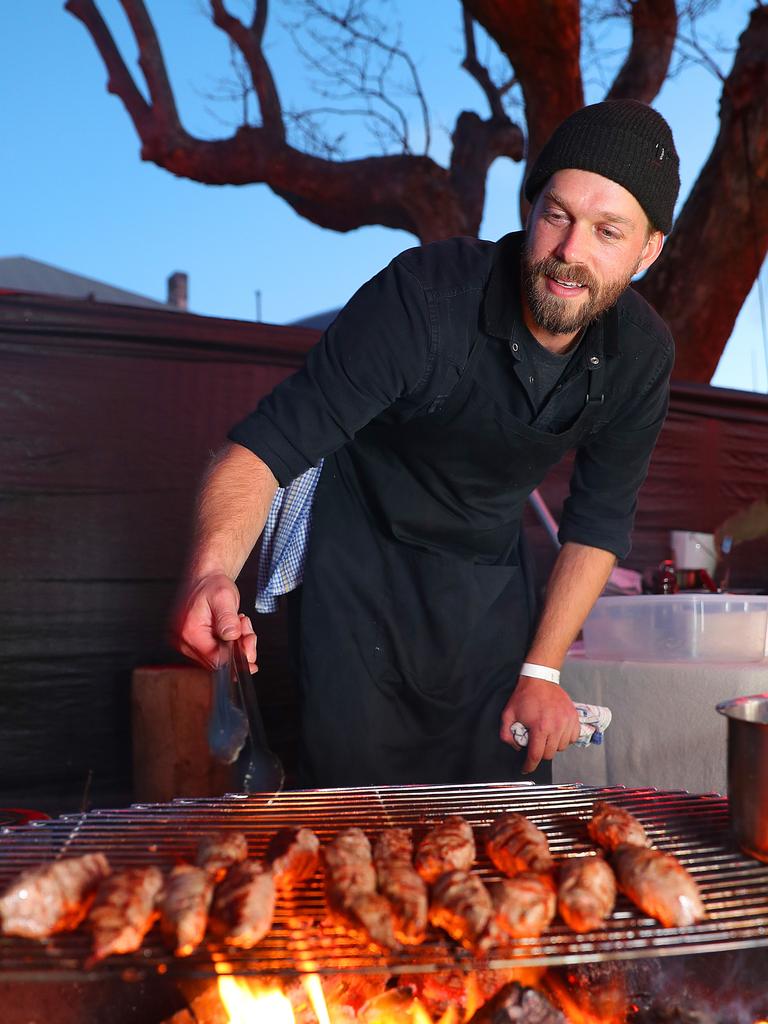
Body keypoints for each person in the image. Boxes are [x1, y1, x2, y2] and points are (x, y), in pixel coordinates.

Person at [173, 100, 679, 788]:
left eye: (608, 231)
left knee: (499, 802)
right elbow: (262, 451)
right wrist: (210, 571)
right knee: (353, 805)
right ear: (530, 207)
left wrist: (542, 671)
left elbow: (598, 521)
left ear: (648, 249)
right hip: (361, 566)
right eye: (557, 214)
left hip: (490, 579)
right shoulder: (423, 298)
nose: (570, 253)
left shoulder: (642, 356)